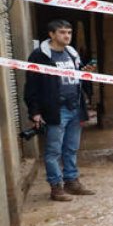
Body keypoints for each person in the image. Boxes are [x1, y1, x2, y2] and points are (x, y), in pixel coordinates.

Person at [24, 19, 95, 201]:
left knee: (71, 148)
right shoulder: (40, 56)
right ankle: (56, 187)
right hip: (55, 110)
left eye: (69, 33)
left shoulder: (72, 54)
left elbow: (77, 79)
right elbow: (31, 86)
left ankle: (72, 182)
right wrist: (35, 112)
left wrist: (86, 73)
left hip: (74, 108)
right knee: (53, 151)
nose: (67, 36)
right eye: (62, 32)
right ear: (52, 34)